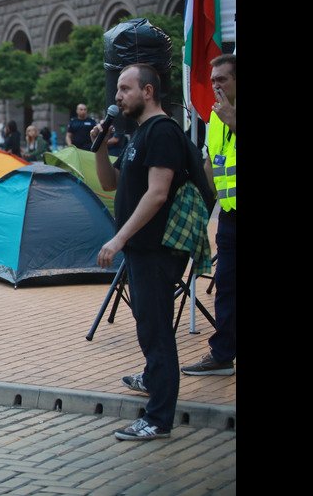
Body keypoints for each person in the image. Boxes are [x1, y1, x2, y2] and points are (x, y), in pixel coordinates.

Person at [93, 63, 200, 441]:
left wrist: (118, 238)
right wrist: (102, 148)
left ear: (148, 91)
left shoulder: (163, 132)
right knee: (147, 326)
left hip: (155, 250)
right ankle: (154, 378)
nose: (117, 96)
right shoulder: (139, 134)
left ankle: (158, 419)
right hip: (139, 251)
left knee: (156, 333)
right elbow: (111, 184)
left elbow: (157, 193)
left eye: (124, 89)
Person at [182, 54, 236, 377]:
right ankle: (222, 354)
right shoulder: (215, 116)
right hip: (229, 218)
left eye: (222, 80)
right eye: (213, 79)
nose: (215, 85)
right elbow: (211, 166)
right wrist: (200, 209)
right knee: (227, 286)